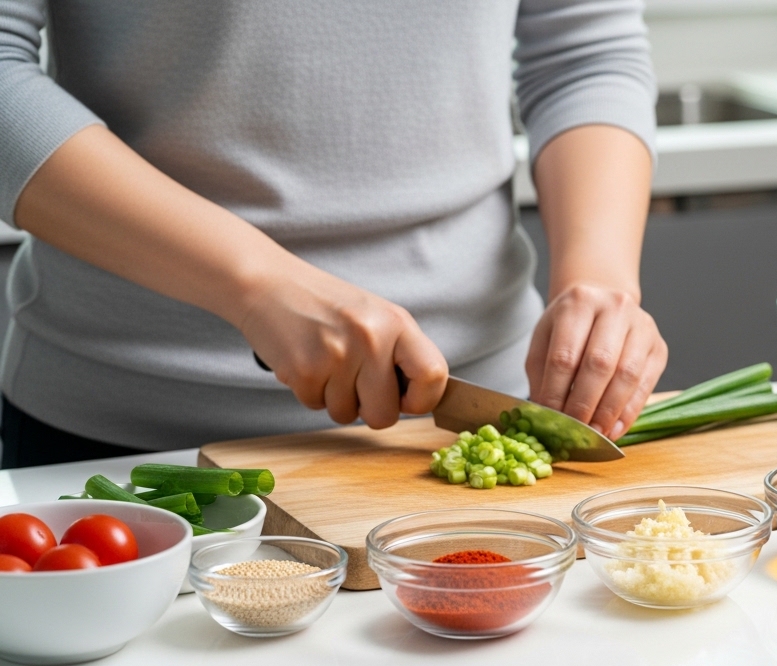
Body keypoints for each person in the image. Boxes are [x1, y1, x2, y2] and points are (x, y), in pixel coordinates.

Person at [0, 0, 667, 468]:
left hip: (468, 426)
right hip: (123, 436)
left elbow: (587, 56)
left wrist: (599, 283)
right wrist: (255, 283)